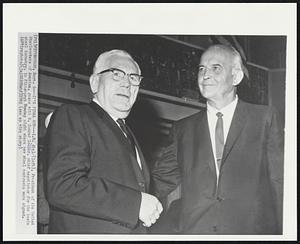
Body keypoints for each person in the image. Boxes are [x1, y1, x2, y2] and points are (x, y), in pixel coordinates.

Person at [152, 44, 284, 234]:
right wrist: (132, 203)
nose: (205, 75)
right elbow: (159, 182)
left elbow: (280, 184)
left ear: (236, 76)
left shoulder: (265, 119)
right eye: (201, 69)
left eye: (216, 68)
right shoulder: (182, 129)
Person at [44, 49, 163, 234]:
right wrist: (136, 203)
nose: (126, 84)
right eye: (116, 74)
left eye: (133, 78)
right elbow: (62, 185)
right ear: (94, 82)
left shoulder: (129, 134)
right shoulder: (73, 115)